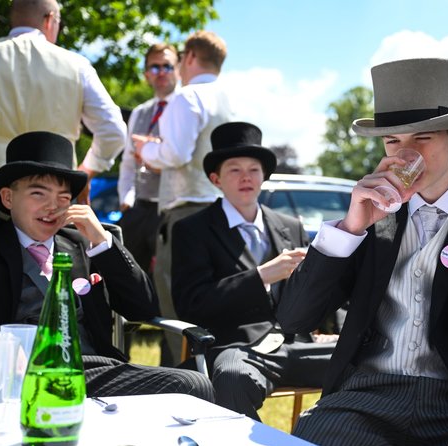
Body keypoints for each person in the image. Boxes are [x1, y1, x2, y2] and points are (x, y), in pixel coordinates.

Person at [276, 58, 448, 446]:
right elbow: (293, 317)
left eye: (421, 139)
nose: (405, 156)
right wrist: (350, 228)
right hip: (366, 398)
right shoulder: (370, 220)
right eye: (392, 141)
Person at [0, 131, 214, 402]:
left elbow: (143, 307)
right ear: (8, 198)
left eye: (64, 197)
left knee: (195, 382)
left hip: (91, 371)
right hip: (16, 375)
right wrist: (1, 345)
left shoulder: (82, 243)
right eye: (38, 193)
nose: (52, 206)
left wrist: (102, 242)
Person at [171, 122, 337, 421]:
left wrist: (331, 329)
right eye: (234, 169)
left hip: (299, 346)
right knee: (232, 377)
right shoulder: (192, 230)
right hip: (238, 350)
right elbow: (192, 304)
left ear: (264, 177)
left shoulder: (290, 226)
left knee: (370, 356)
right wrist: (260, 276)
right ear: (215, 179)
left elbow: (319, 286)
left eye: (254, 169)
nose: (246, 177)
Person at [132, 30, 233, 363]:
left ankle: (186, 378)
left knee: (177, 302)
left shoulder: (188, 97)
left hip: (186, 212)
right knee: (215, 302)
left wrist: (145, 148)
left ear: (189, 57)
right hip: (224, 211)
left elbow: (175, 154)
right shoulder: (232, 98)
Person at [0, 0, 126, 218]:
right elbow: (113, 131)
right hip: (55, 194)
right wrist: (87, 171)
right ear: (50, 19)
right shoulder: (76, 65)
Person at [117, 43, 179, 274]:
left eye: (167, 66)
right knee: (131, 276)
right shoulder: (140, 113)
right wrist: (126, 199)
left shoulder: (185, 107)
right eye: (154, 68)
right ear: (146, 75)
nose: (161, 72)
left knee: (168, 279)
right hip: (139, 208)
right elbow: (128, 162)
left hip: (172, 208)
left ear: (178, 69)